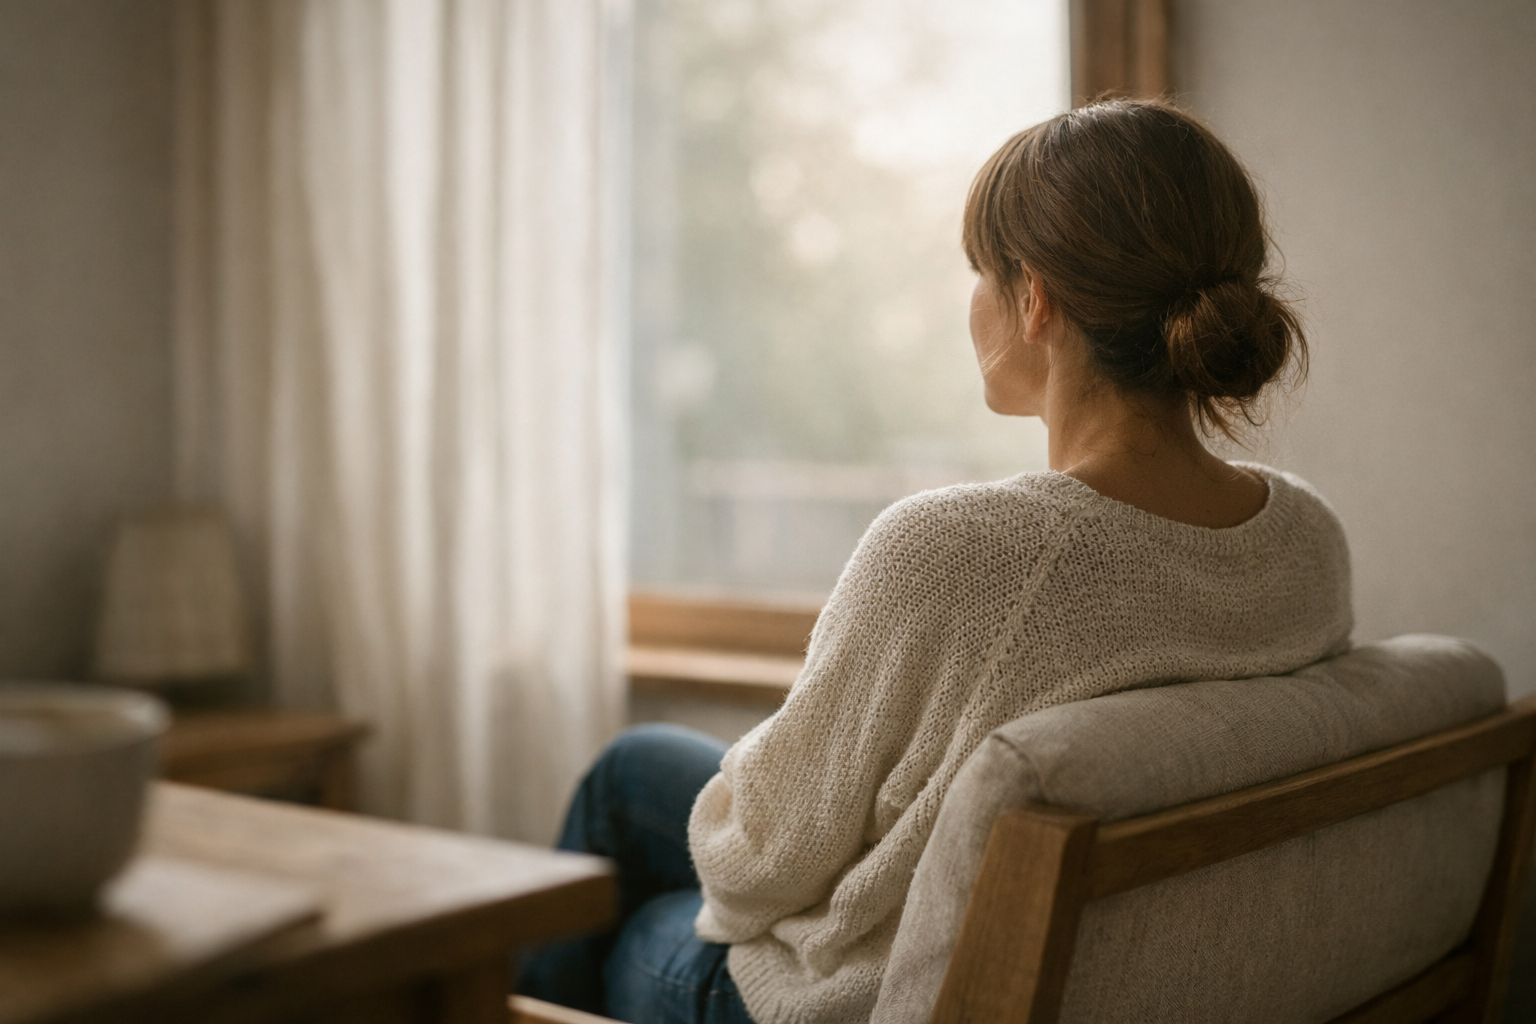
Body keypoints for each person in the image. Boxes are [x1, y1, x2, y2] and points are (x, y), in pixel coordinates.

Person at [517, 98, 1352, 1024]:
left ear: (1034, 299)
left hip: (863, 996)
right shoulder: (1304, 537)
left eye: (980, 274)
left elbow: (757, 871)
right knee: (639, 767)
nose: (973, 303)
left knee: (633, 862)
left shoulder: (963, 553)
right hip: (1128, 969)